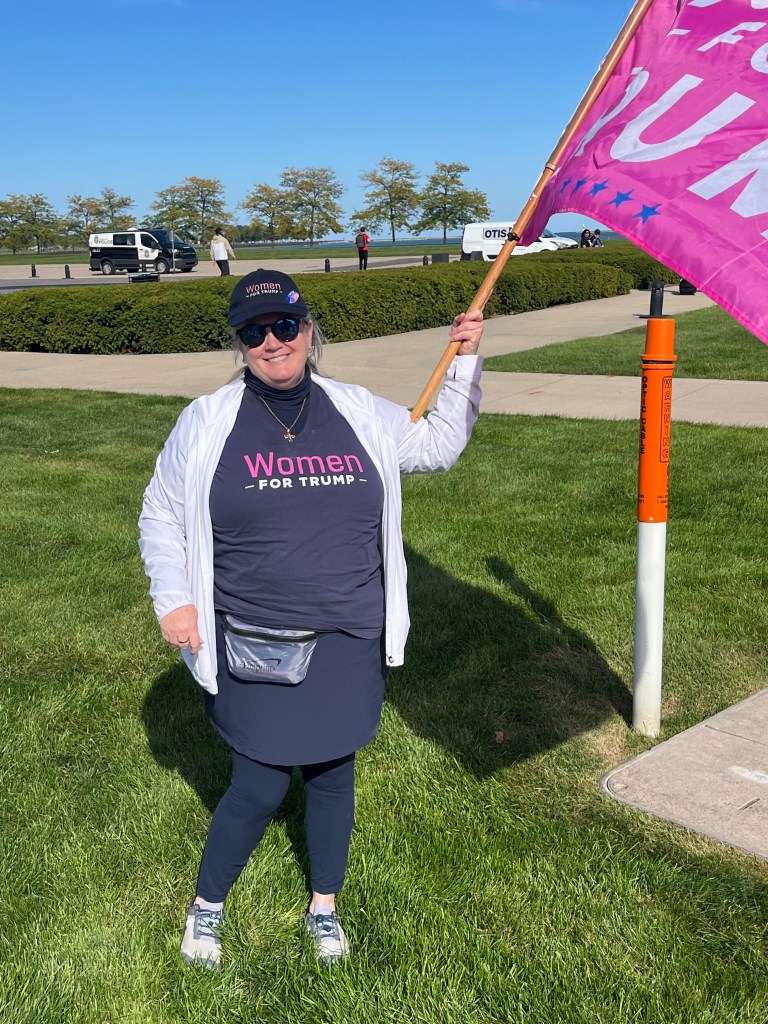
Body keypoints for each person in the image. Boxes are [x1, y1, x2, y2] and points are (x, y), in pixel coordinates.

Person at [138, 268, 484, 969]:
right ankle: (207, 908)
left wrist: (466, 360)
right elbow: (162, 513)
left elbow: (437, 446)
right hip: (255, 636)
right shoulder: (206, 421)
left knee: (332, 774)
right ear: (239, 342)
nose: (272, 342)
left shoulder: (356, 409)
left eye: (284, 326)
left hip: (350, 634)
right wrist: (173, 598)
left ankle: (324, 907)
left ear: (309, 328)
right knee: (259, 783)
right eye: (254, 332)